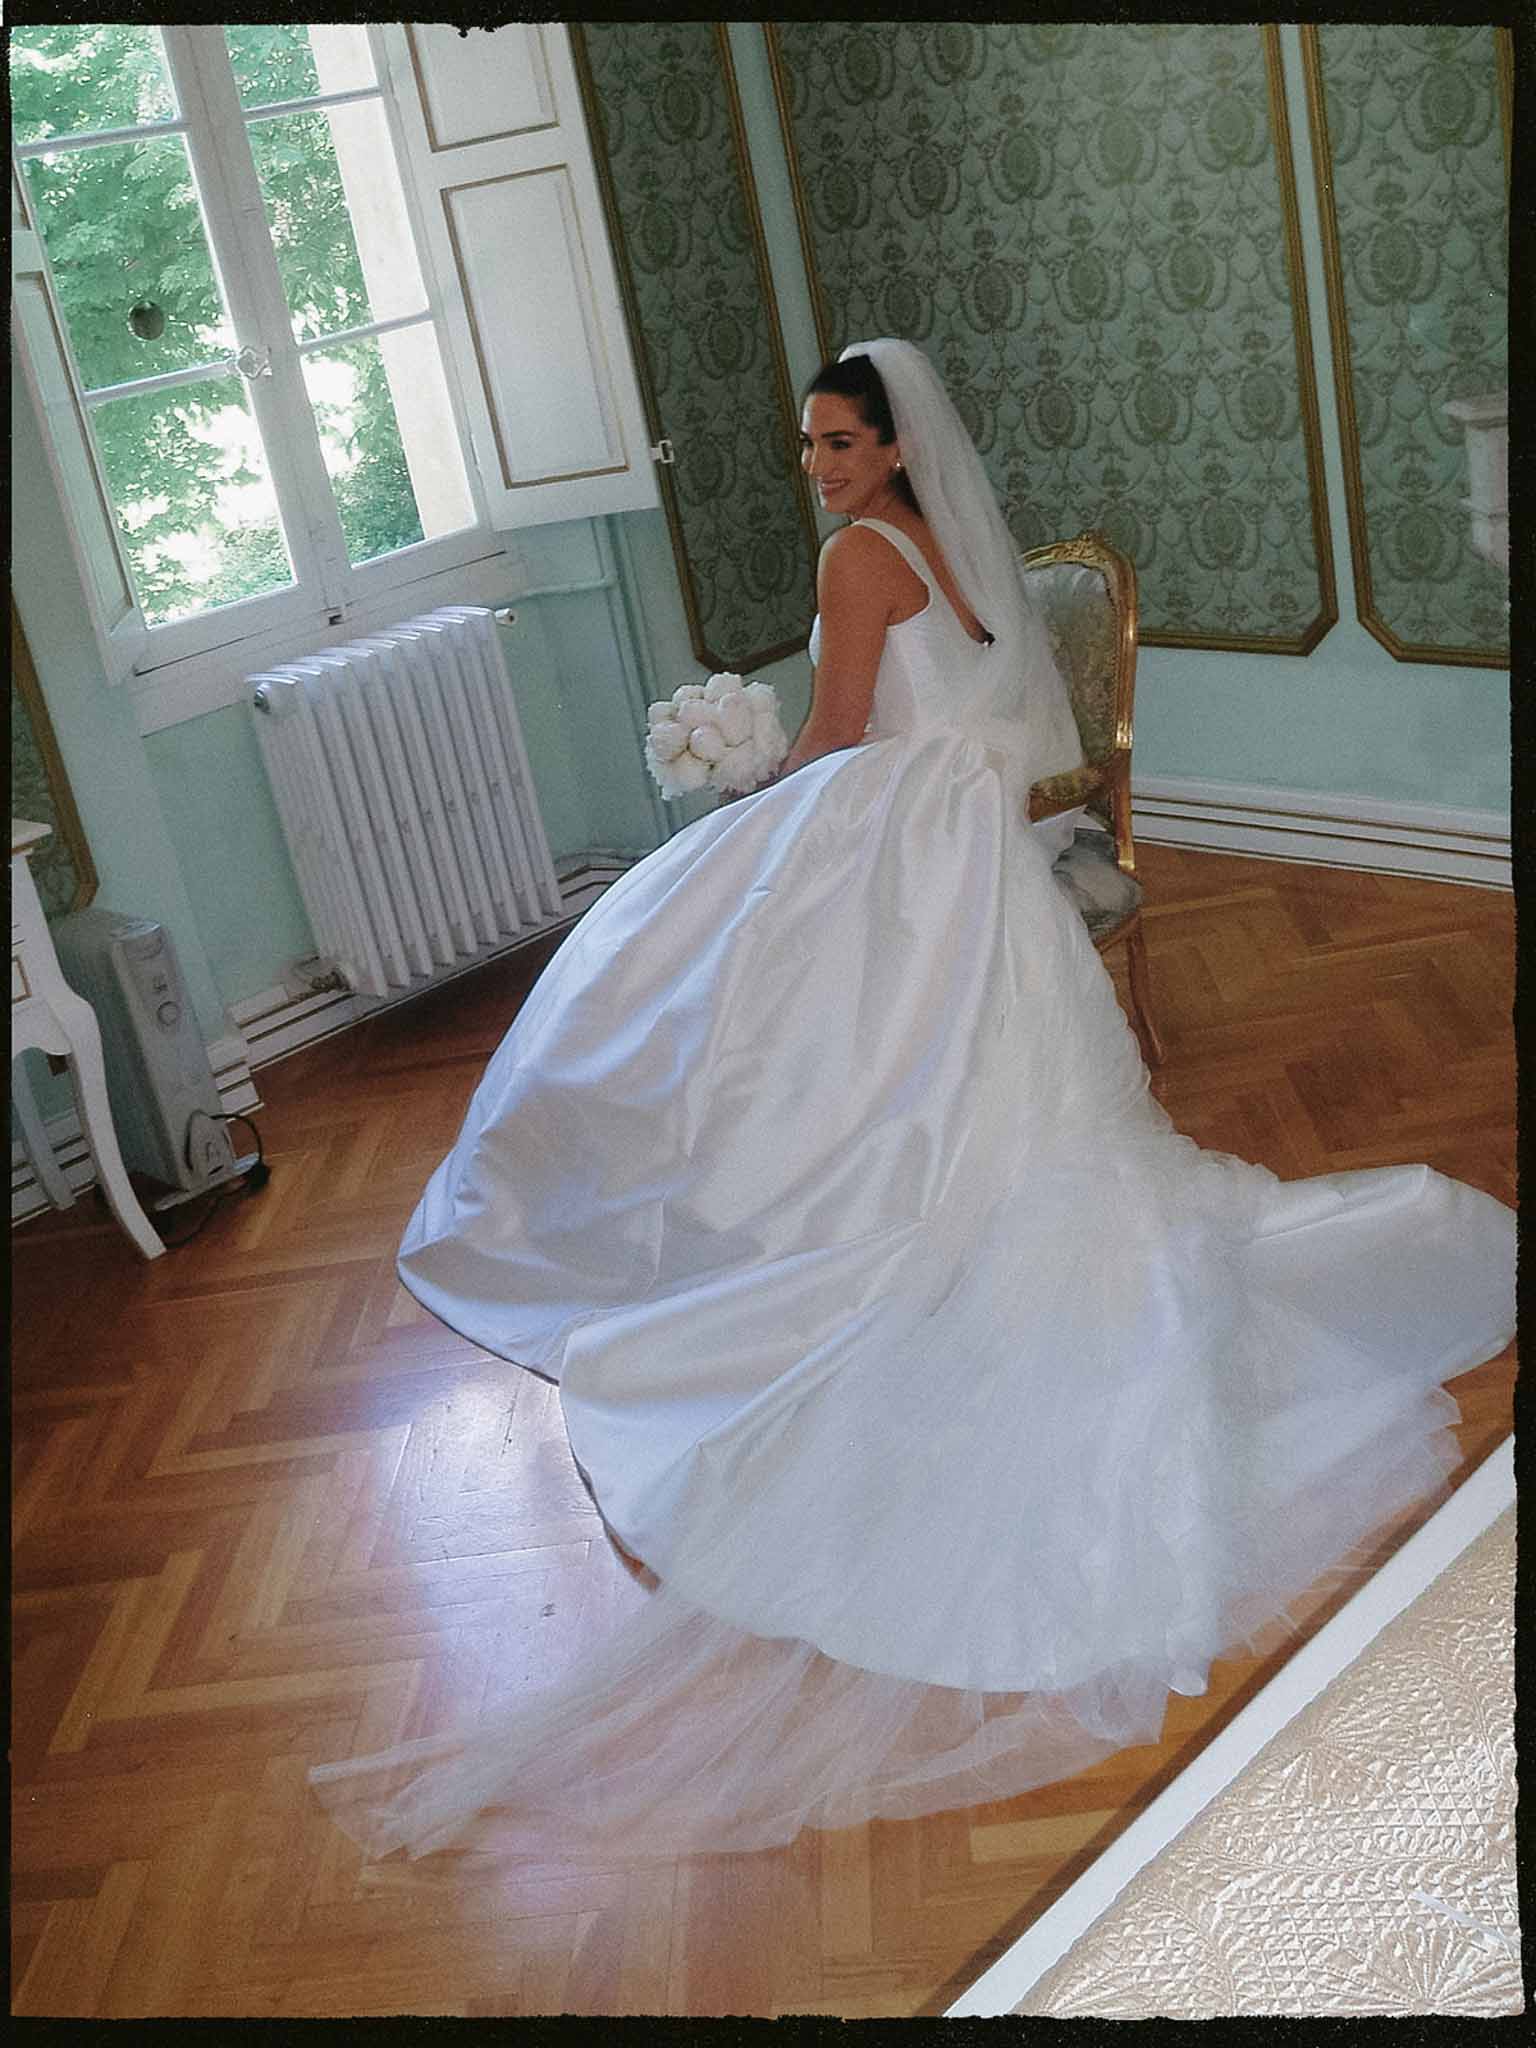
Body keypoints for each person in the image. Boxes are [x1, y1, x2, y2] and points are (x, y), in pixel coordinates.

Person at [310, 339, 1514, 1862]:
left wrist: (746, 792)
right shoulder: (945, 537)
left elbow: (837, 732)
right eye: (809, 445)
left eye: (837, 443)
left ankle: (755, 1191)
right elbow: (961, 713)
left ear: (889, 448)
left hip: (901, 818)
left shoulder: (855, 558)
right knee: (798, 986)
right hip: (970, 835)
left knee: (686, 951)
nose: (817, 466)